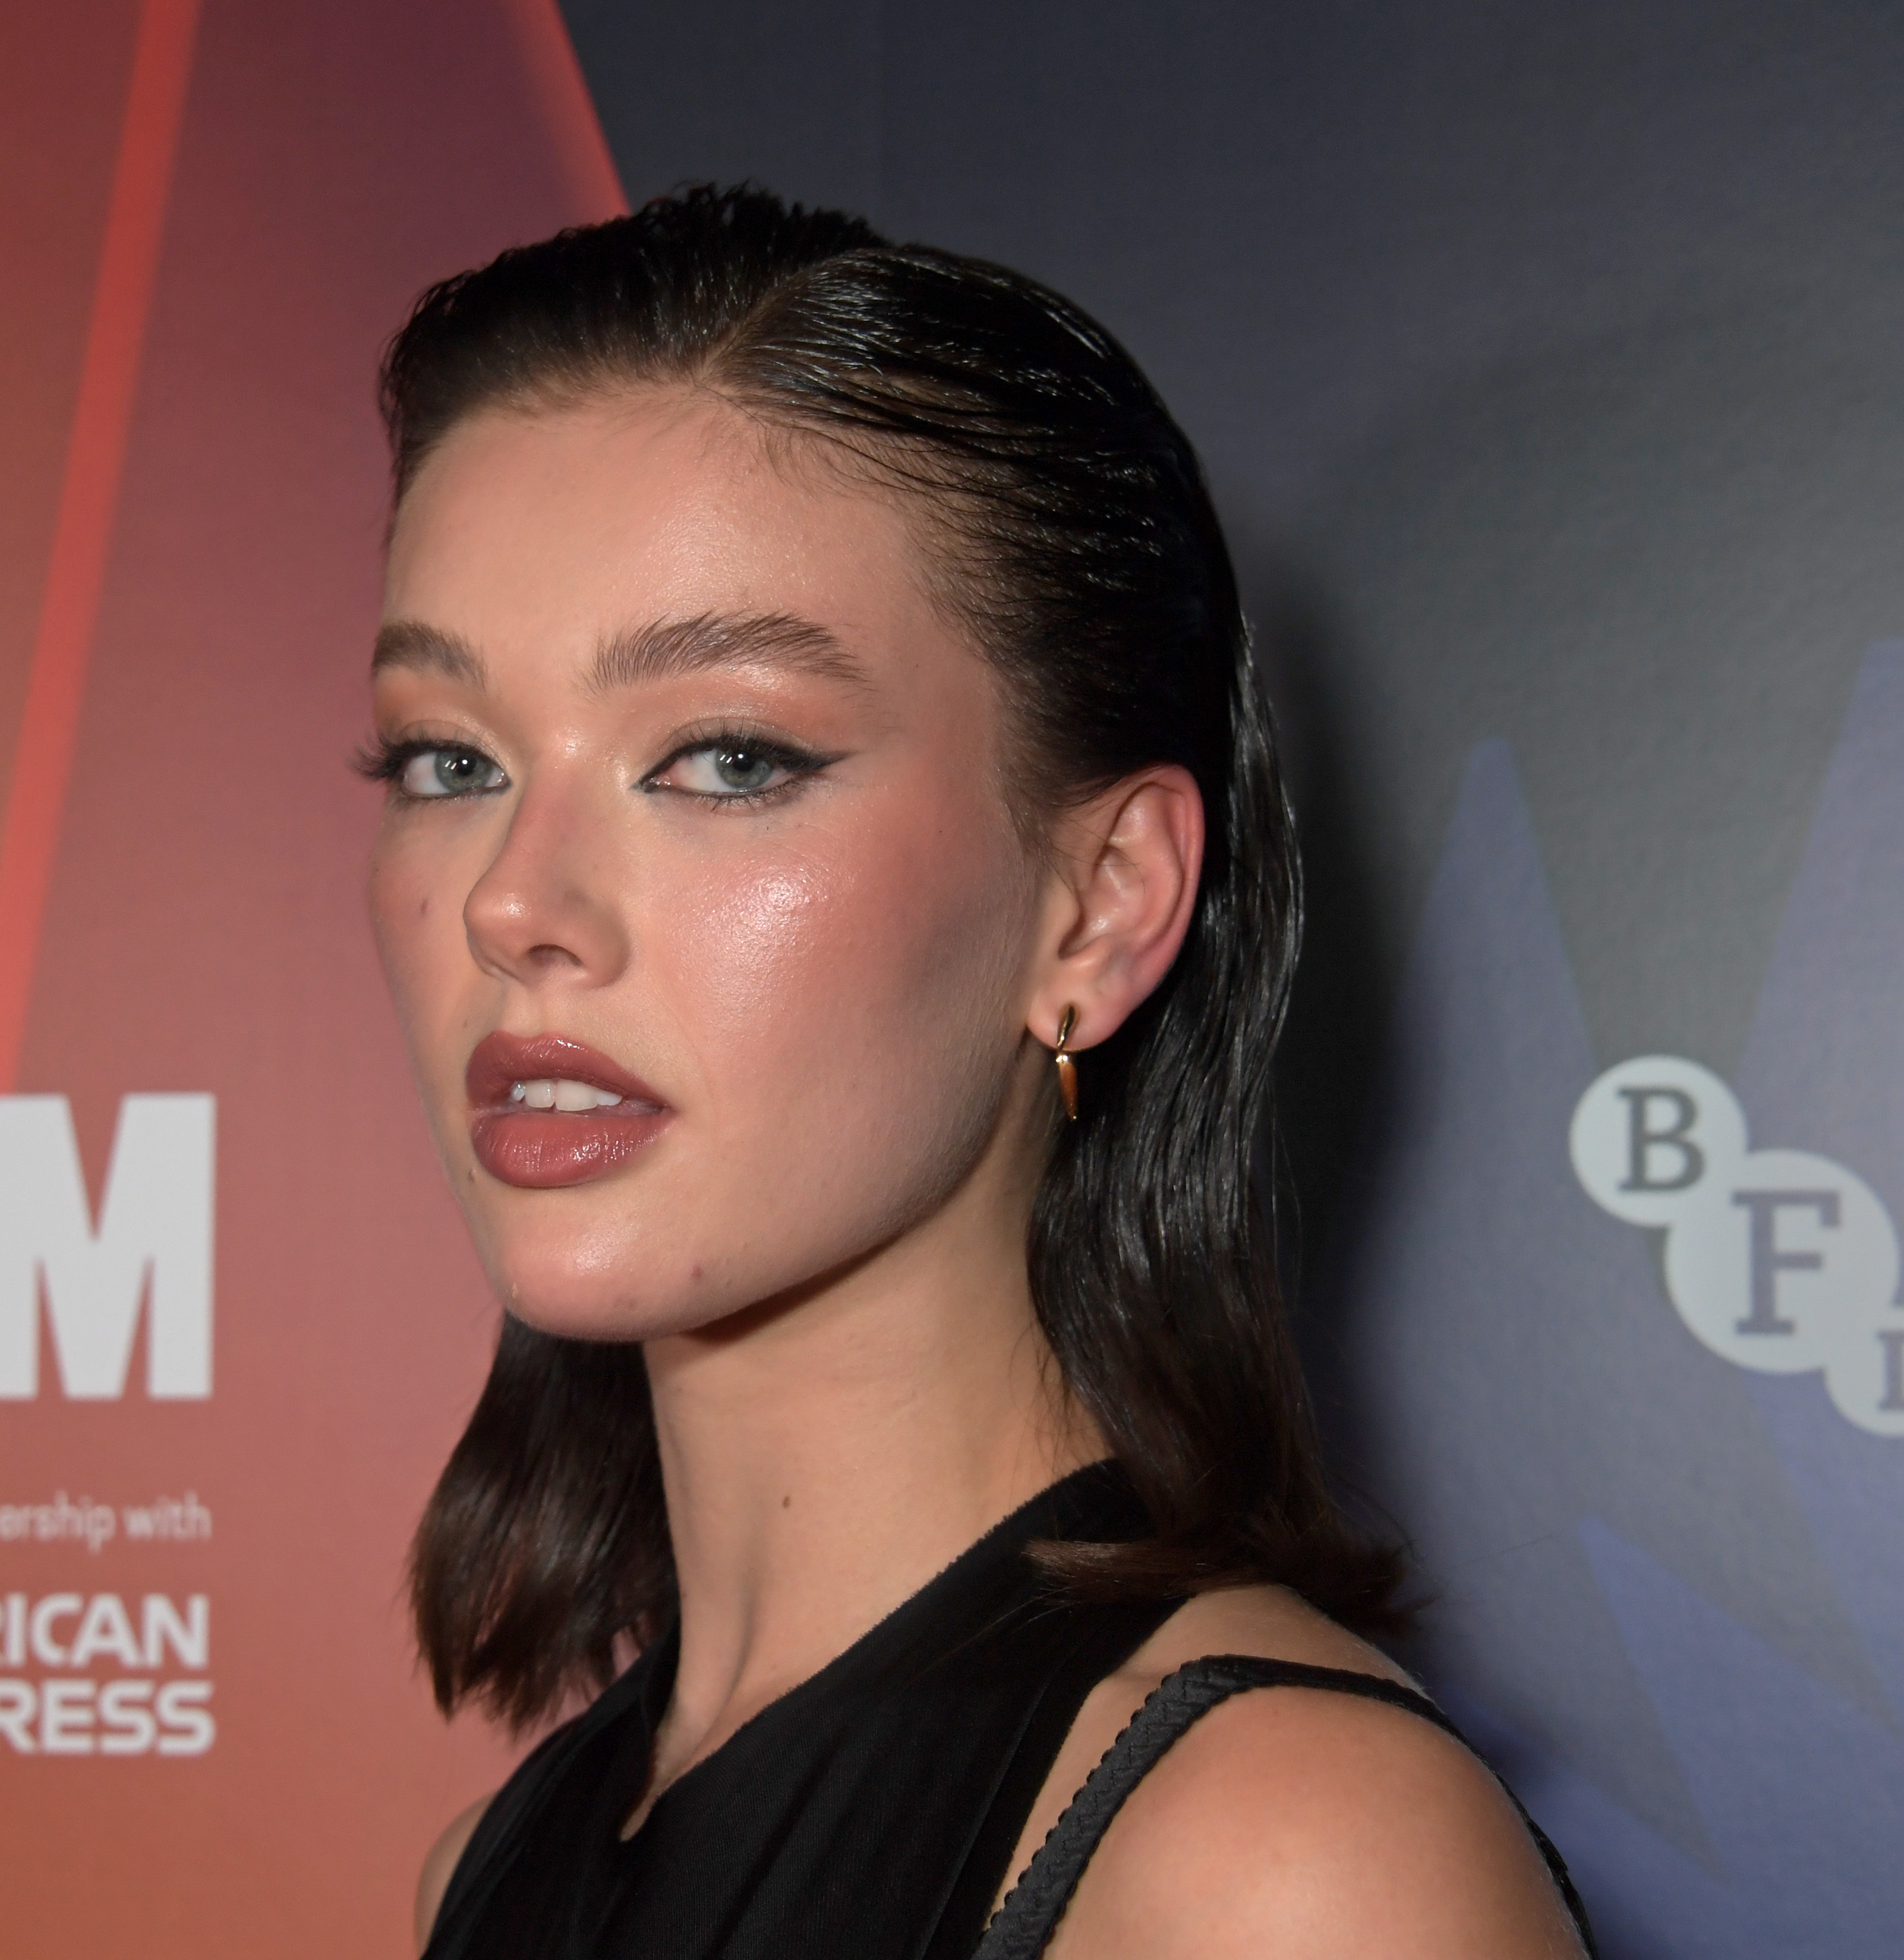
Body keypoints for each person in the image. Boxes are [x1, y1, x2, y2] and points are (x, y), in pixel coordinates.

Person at [363, 186, 1592, 1959]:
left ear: (1099, 906)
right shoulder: (488, 1869)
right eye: (447, 758)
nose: (512, 903)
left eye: (723, 756)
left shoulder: (1281, 1867)